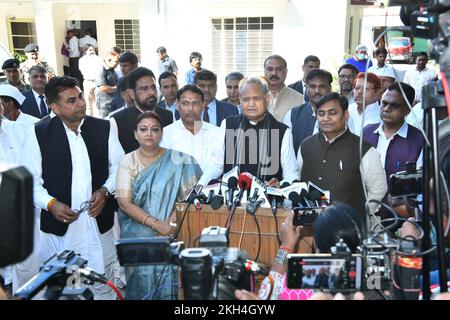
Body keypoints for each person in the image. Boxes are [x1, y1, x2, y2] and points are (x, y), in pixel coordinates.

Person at [22, 76, 125, 299]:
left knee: (104, 284)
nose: (81, 103)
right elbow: (30, 181)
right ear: (55, 107)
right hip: (61, 232)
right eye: (71, 100)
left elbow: (121, 167)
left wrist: (106, 191)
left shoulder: (103, 127)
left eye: (79, 96)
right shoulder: (38, 133)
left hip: (99, 226)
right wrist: (50, 204)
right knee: (68, 288)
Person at [115, 111, 202, 299]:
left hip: (171, 234)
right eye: (143, 129)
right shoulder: (127, 162)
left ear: (161, 133)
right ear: (135, 134)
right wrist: (156, 225)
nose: (149, 134)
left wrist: (170, 225)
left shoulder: (180, 160)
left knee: (169, 284)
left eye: (155, 129)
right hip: (138, 237)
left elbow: (189, 197)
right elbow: (124, 203)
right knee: (140, 287)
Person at [236, 202, 366, 300]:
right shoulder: (374, 286)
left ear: (319, 249)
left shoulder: (296, 288)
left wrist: (286, 246)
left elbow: (266, 293)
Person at [298, 92, 387, 219]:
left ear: (346, 115)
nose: (326, 118)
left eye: (332, 113)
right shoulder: (306, 145)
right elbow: (299, 180)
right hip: (309, 228)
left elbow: (379, 190)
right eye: (321, 113)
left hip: (350, 230)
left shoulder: (363, 149)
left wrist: (359, 214)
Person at [218, 76, 299, 186]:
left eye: (256, 98)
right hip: (230, 200)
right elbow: (216, 165)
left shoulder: (282, 131)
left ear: (266, 99)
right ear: (240, 101)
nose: (251, 104)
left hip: (267, 201)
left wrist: (280, 184)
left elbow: (292, 174)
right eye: (246, 99)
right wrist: (202, 183)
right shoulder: (228, 125)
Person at [160, 85, 223, 186]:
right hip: (175, 195)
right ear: (177, 105)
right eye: (185, 103)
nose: (190, 108)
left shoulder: (216, 133)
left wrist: (200, 185)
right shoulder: (166, 134)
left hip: (208, 194)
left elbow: (217, 165)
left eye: (195, 103)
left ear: (203, 105)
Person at [363, 82, 423, 179]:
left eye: (394, 105)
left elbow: (420, 180)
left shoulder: (419, 140)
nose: (387, 109)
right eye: (384, 103)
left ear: (407, 110)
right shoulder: (366, 132)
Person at [110, 67, 173, 154]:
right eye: (144, 89)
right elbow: (114, 160)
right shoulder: (117, 121)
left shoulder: (169, 116)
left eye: (153, 87)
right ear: (132, 93)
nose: (151, 92)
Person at [283, 69, 333, 155]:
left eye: (322, 86)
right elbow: (286, 152)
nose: (317, 91)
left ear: (329, 89)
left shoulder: (340, 116)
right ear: (307, 89)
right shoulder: (292, 115)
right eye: (313, 86)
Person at [264, 55, 304, 122]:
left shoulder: (300, 99)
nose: (274, 73)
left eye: (279, 69)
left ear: (286, 72)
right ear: (264, 72)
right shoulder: (256, 98)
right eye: (270, 69)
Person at [79, 44, 103, 117]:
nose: (92, 51)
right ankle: (89, 120)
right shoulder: (82, 60)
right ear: (85, 51)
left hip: (97, 83)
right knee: (88, 104)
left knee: (98, 103)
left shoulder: (99, 59)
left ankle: (98, 120)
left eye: (93, 50)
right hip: (88, 82)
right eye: (90, 50)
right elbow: (82, 71)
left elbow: (101, 71)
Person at [95, 50, 120, 118]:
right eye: (116, 61)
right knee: (105, 123)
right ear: (109, 60)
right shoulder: (101, 69)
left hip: (112, 103)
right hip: (104, 105)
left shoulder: (112, 69)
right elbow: (103, 88)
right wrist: (118, 88)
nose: (118, 64)